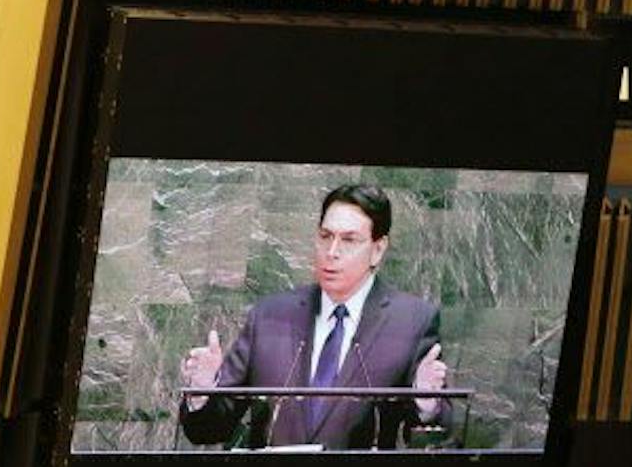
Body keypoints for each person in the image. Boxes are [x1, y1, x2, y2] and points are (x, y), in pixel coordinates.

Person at [179, 184, 448, 450]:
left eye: (349, 240)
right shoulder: (270, 316)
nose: (332, 252)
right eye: (325, 236)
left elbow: (437, 439)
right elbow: (209, 430)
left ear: (377, 249)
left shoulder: (411, 321)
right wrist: (202, 392)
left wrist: (427, 404)